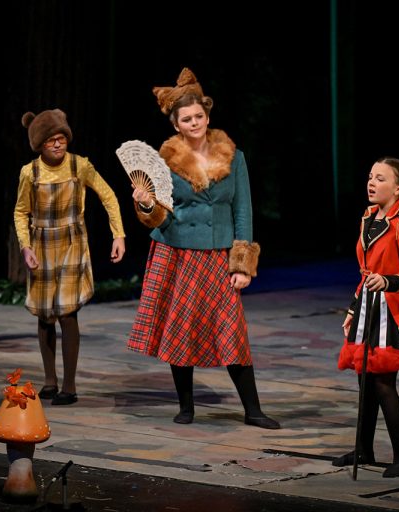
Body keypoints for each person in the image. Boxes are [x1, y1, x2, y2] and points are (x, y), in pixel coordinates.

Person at [127, 68, 279, 429]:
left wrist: (242, 264)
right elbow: (161, 216)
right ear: (177, 124)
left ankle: (253, 410)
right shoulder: (165, 161)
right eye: (186, 119)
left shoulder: (234, 157)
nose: (194, 123)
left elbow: (243, 211)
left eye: (198, 116)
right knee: (180, 328)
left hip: (217, 254)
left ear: (207, 116)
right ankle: (186, 406)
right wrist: (145, 204)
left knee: (231, 330)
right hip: (177, 252)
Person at [14, 109, 126, 406]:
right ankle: (50, 381)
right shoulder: (30, 172)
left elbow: (108, 196)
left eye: (61, 138)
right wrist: (25, 246)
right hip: (42, 245)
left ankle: (69, 386)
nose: (57, 144)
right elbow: (21, 212)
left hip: (72, 243)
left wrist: (118, 235)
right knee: (44, 314)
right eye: (50, 139)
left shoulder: (79, 165)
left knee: (67, 312)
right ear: (39, 144)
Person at [334, 157, 399, 478]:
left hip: (392, 309)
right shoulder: (369, 216)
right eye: (370, 177)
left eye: (380, 178)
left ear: (398, 188)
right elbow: (366, 271)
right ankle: (364, 448)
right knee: (364, 379)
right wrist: (353, 308)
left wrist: (388, 281)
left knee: (383, 382)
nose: (372, 183)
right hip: (368, 304)